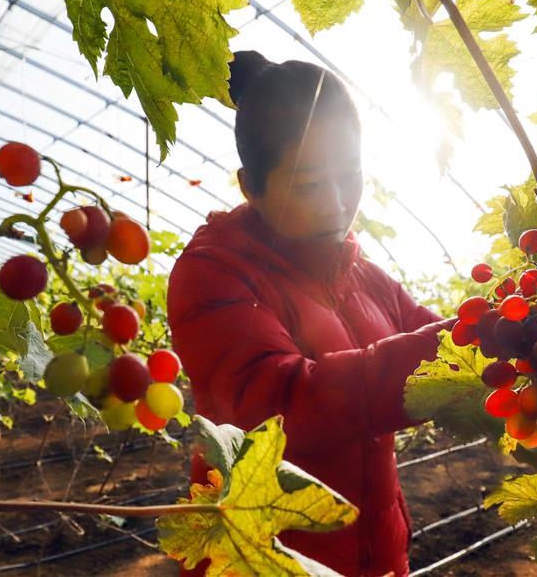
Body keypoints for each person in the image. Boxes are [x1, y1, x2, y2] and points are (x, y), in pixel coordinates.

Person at [167, 51, 455, 577]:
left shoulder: (360, 273)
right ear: (249, 186)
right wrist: (472, 345)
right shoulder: (212, 275)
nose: (337, 203)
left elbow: (444, 342)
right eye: (308, 185)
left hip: (376, 552)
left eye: (350, 175)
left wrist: (516, 331)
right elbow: (284, 405)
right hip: (266, 560)